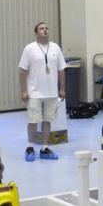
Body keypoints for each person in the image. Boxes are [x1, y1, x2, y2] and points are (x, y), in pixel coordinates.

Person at [18, 22, 66, 162]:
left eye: (46, 28)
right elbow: (22, 71)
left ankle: (45, 148)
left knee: (47, 120)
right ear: (36, 33)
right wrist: (23, 91)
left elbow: (61, 70)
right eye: (41, 28)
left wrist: (62, 88)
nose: (45, 30)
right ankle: (30, 147)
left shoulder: (55, 48)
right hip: (34, 92)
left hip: (51, 92)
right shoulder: (30, 49)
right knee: (33, 121)